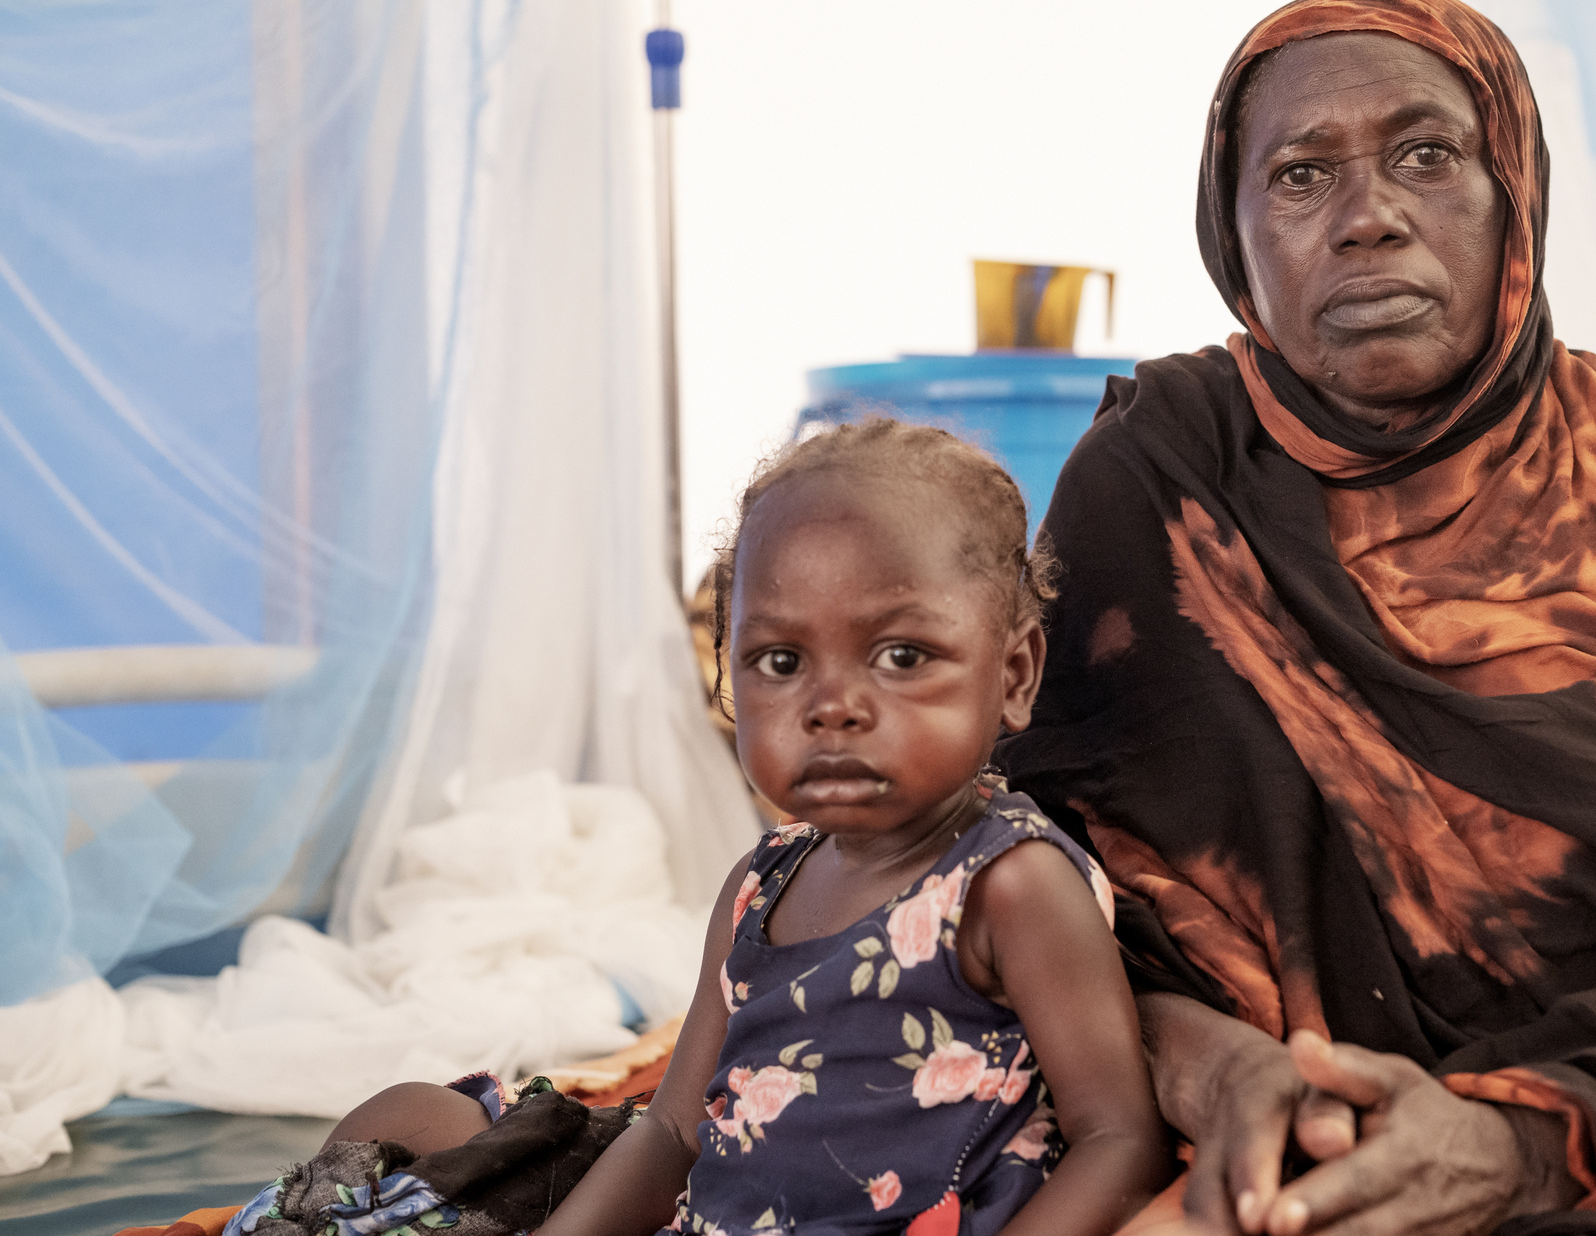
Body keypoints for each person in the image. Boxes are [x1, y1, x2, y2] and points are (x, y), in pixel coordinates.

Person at [998, 0, 1596, 1236]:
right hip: (1246, 1164)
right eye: (1302, 177)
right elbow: (1014, 889)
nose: (1369, 218)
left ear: (1515, 191)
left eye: (1427, 154)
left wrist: (1525, 1136)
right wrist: (1223, 1076)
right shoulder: (1151, 488)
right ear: (1234, 236)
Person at [242, 419, 1169, 1236]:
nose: (833, 705)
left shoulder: (1008, 885)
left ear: (1013, 676)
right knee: (410, 1114)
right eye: (780, 660)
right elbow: (675, 1130)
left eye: (901, 654)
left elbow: (1119, 1138)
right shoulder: (761, 883)